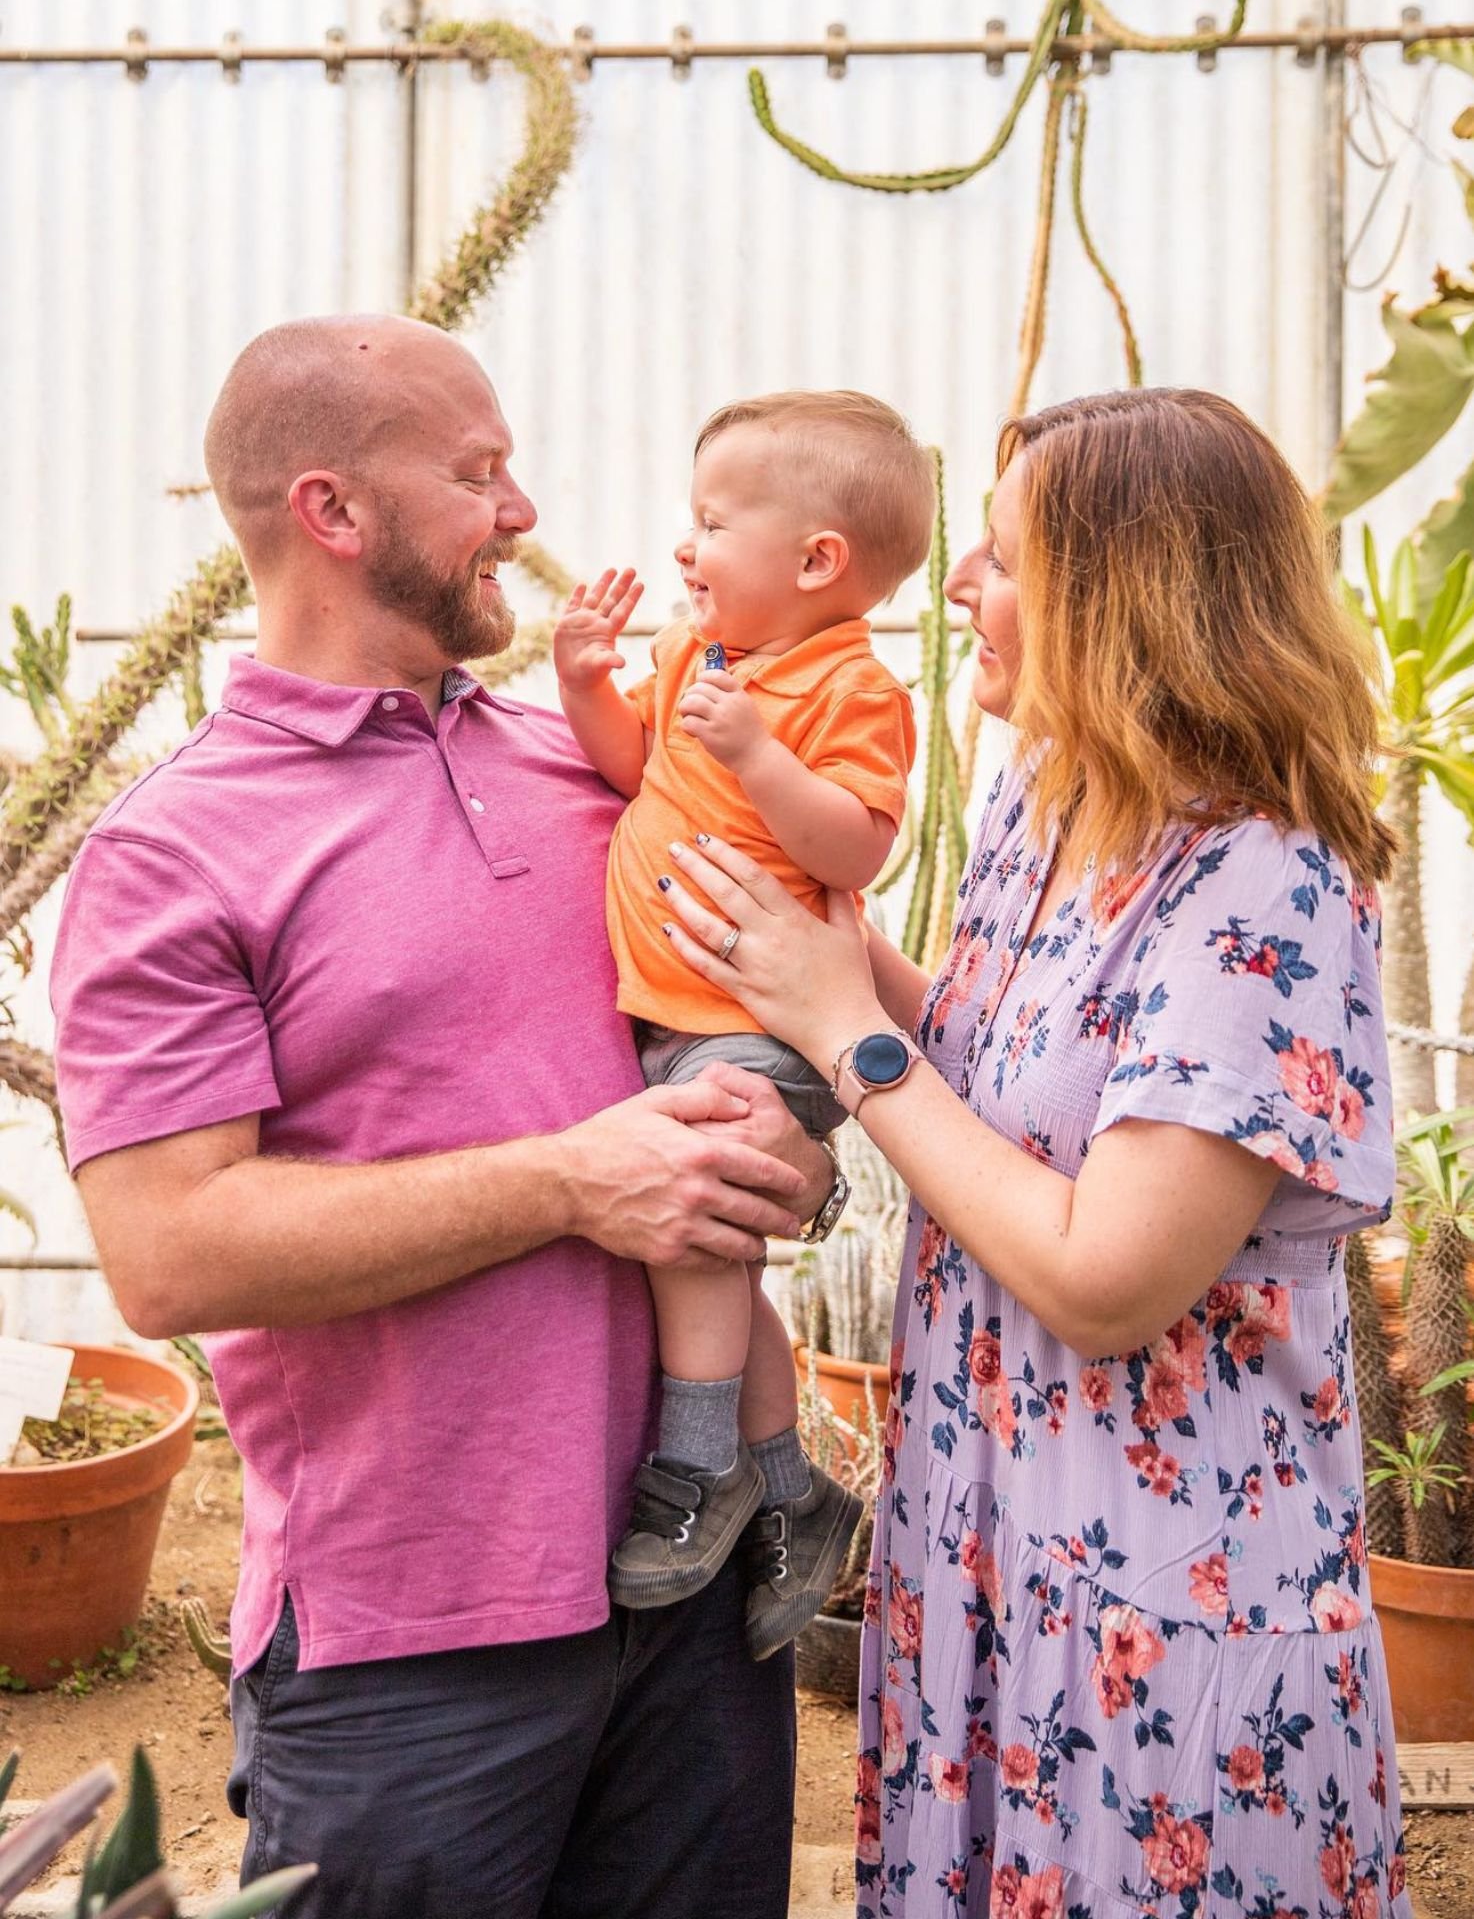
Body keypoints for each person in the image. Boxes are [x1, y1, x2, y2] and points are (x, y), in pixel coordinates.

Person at [48, 314, 842, 1919]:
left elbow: (743, 1043)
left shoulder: (593, 776)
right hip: (413, 1644)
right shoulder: (171, 854)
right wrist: (570, 1183)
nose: (523, 512)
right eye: (476, 473)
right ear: (332, 513)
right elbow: (172, 1254)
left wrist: (785, 1153)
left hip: (692, 1597)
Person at [648, 389, 1413, 1917]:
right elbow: (1004, 1073)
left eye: (998, 561)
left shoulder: (1259, 881)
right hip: (988, 1560)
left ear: (1123, 599)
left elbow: (1106, 1276)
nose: (952, 589)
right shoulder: (1052, 798)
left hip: (1156, 1623)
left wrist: (843, 1036)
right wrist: (842, 959)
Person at [552, 391, 928, 1656]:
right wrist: (584, 681)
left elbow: (856, 839)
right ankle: (794, 1488)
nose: (684, 547)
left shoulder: (850, 689)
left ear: (817, 560)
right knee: (707, 1253)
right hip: (675, 1017)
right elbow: (632, 770)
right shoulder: (696, 657)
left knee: (692, 1229)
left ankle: (697, 1463)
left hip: (761, 1023)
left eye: (712, 523)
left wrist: (765, 757)